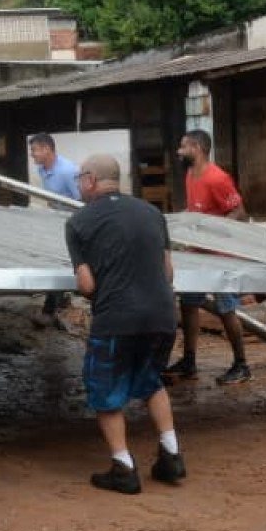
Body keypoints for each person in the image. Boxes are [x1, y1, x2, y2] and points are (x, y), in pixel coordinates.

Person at [64, 153, 186, 494]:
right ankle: (171, 454)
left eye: (79, 179)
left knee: (105, 392)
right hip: (162, 316)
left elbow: (87, 285)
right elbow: (168, 272)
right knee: (150, 380)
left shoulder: (79, 223)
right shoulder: (152, 213)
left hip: (117, 318)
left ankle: (123, 467)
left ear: (89, 180)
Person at [163, 129, 252, 387]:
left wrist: (213, 229)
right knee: (189, 304)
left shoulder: (217, 178)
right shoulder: (191, 174)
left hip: (220, 256)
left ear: (198, 149)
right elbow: (195, 210)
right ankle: (189, 360)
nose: (179, 152)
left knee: (226, 309)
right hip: (197, 253)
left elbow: (239, 212)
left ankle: (241, 364)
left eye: (183, 147)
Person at [28, 132, 81, 328]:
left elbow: (81, 200)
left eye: (34, 150)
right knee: (55, 260)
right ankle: (59, 301)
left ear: (46, 149)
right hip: (57, 221)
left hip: (73, 223)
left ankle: (49, 311)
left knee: (62, 262)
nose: (32, 155)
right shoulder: (43, 169)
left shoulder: (67, 171)